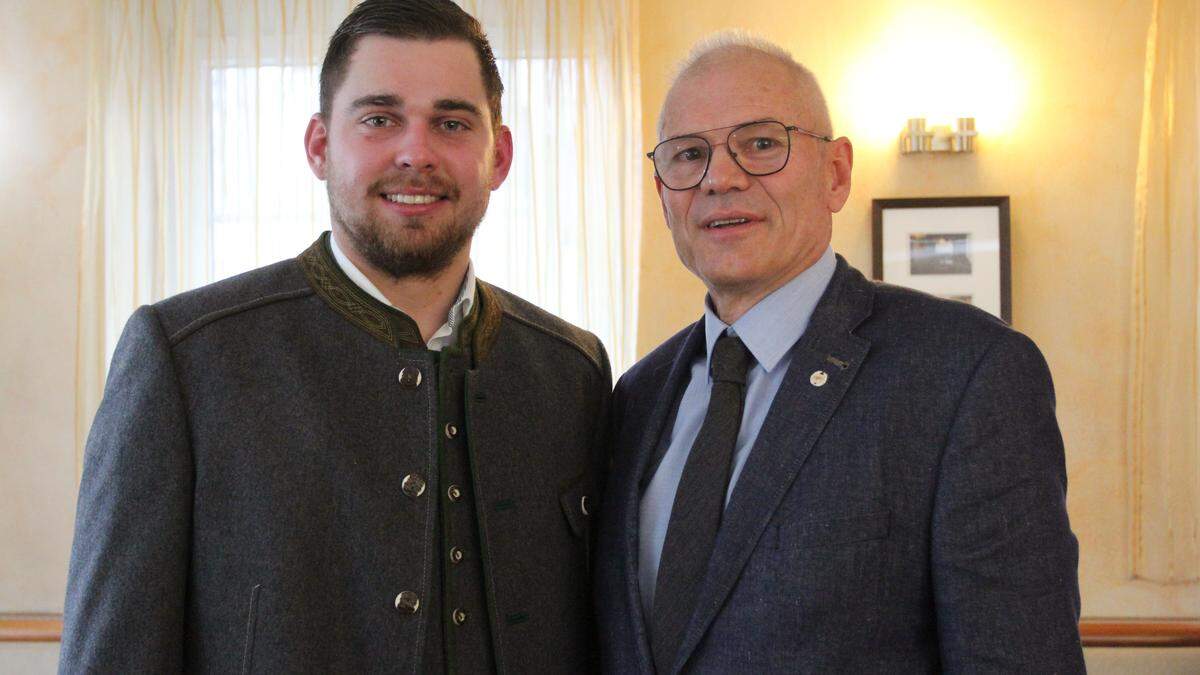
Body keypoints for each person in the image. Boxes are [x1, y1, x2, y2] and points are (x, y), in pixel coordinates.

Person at [59, 1, 609, 672]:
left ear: (499, 156)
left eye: (452, 122)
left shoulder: (571, 371)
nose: (417, 152)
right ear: (321, 147)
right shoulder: (185, 357)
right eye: (379, 118)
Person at [595, 33, 1084, 673]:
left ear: (836, 173)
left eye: (762, 143)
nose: (720, 178)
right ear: (663, 195)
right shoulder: (637, 394)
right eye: (689, 155)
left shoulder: (966, 375)